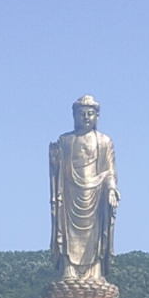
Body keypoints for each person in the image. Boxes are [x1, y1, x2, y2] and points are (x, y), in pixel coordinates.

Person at [49, 96, 120, 286]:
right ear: (74, 116)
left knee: (95, 237)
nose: (86, 118)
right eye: (82, 114)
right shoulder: (65, 140)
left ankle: (95, 272)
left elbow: (110, 171)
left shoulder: (105, 142)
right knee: (67, 232)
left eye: (90, 114)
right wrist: (55, 161)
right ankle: (68, 270)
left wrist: (112, 189)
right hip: (70, 193)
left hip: (97, 196)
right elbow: (58, 171)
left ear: (97, 116)